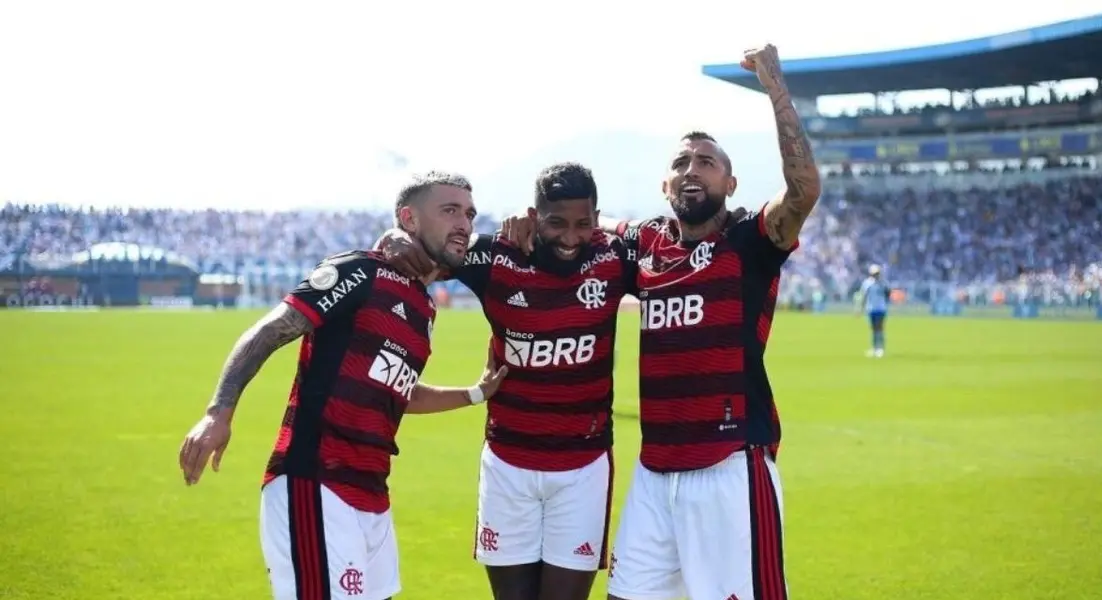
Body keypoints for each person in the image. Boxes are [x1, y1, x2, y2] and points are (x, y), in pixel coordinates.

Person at [500, 44, 820, 600]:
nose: (691, 170)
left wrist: (775, 90)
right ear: (665, 187)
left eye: (706, 162)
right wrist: (520, 229)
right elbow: (572, 231)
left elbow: (803, 192)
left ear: (731, 183)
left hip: (730, 464)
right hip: (655, 469)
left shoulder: (749, 241)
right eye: (680, 164)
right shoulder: (641, 242)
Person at [177, 171, 509, 600]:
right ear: (408, 218)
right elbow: (271, 330)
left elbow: (393, 390)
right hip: (315, 483)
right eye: (449, 211)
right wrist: (218, 412)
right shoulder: (360, 272)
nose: (464, 223)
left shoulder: (423, 304)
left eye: (469, 213)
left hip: (371, 495)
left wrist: (476, 393)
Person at [375, 162, 637, 600]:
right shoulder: (496, 255)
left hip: (583, 469)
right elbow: (426, 249)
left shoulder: (614, 257)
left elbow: (670, 241)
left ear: (596, 219)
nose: (571, 238)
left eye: (583, 224)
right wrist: (394, 238)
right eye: (556, 223)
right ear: (535, 216)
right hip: (508, 466)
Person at [856, 264, 890, 357]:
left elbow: (888, 294)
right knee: (874, 329)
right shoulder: (867, 283)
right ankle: (875, 348)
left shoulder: (883, 283)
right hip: (871, 309)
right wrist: (860, 309)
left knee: (879, 329)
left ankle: (880, 348)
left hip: (880, 309)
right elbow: (864, 296)